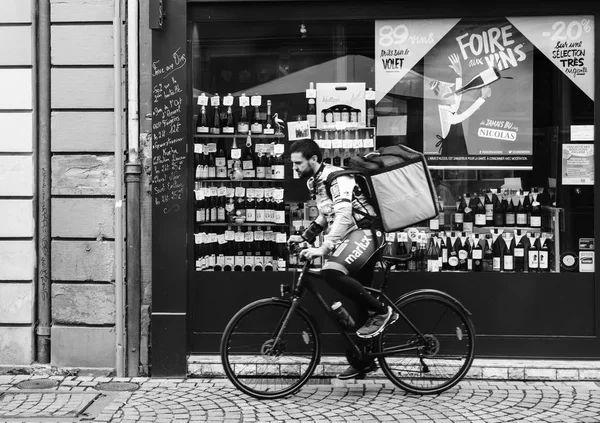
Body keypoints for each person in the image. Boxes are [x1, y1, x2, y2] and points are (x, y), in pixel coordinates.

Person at [288, 138, 398, 380]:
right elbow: (327, 215)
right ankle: (364, 361)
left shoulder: (338, 177)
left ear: (313, 159)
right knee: (359, 300)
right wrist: (305, 237)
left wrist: (324, 248)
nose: (294, 168)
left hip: (367, 233)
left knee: (331, 272)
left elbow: (345, 215)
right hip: (354, 236)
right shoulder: (315, 181)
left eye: (298, 163)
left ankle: (382, 312)